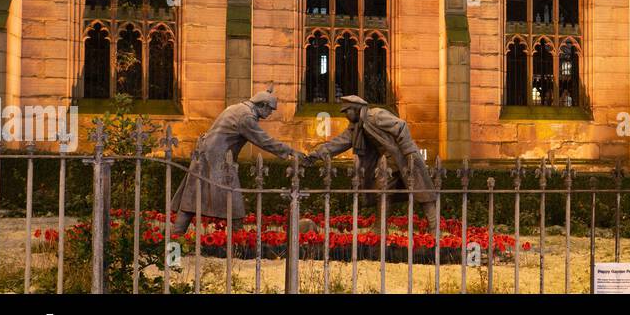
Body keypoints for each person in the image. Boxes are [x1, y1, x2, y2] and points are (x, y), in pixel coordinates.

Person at [169, 85, 300, 236]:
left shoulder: (237, 108)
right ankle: (238, 242)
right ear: (262, 105)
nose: (271, 113)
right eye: (270, 109)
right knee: (234, 203)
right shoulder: (246, 117)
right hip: (218, 161)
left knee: (192, 198)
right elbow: (264, 141)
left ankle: (176, 236)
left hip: (206, 156)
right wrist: (290, 151)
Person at [307, 95, 438, 223]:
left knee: (422, 192)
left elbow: (401, 126)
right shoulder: (356, 127)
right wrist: (315, 155)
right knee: (382, 190)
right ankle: (381, 226)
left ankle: (433, 225)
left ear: (356, 108)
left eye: (347, 110)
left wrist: (408, 151)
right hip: (388, 160)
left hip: (403, 156)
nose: (345, 114)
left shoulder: (375, 115)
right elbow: (338, 143)